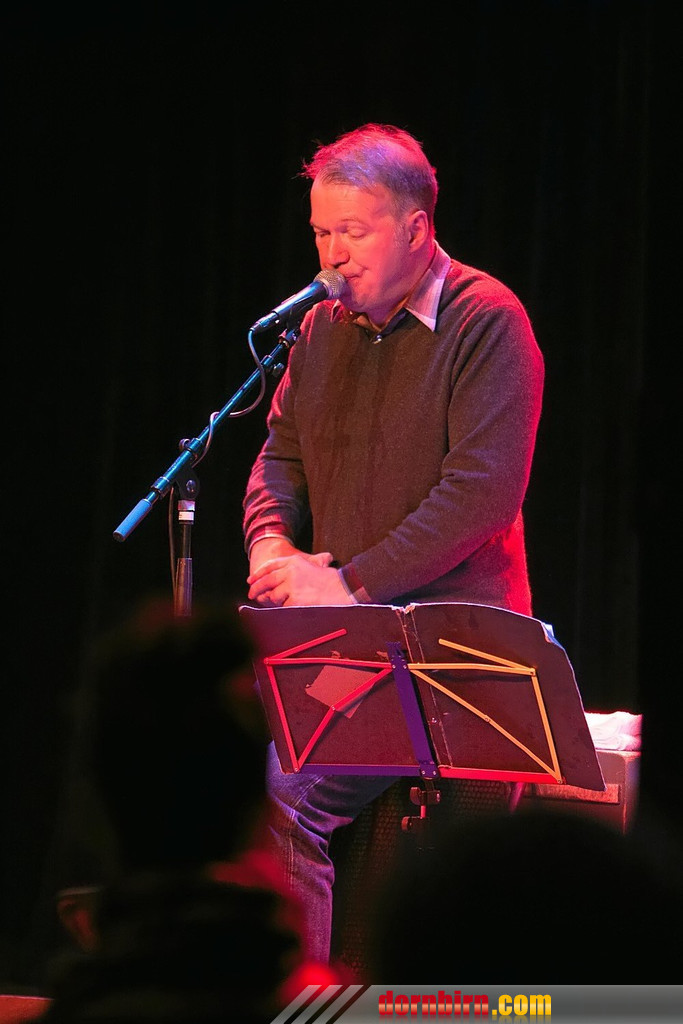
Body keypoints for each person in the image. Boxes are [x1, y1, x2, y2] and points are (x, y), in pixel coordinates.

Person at [242, 122, 545, 965]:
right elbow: (278, 457)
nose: (331, 255)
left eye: (352, 230)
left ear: (414, 228)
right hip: (362, 643)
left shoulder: (487, 320)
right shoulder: (321, 331)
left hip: (457, 650)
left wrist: (349, 582)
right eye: (320, 232)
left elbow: (480, 494)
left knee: (284, 794)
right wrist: (270, 545)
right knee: (232, 771)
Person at [36, 597, 337, 1023]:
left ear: (97, 807)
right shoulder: (338, 1011)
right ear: (260, 810)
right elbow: (436, 1009)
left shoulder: (74, 1004)